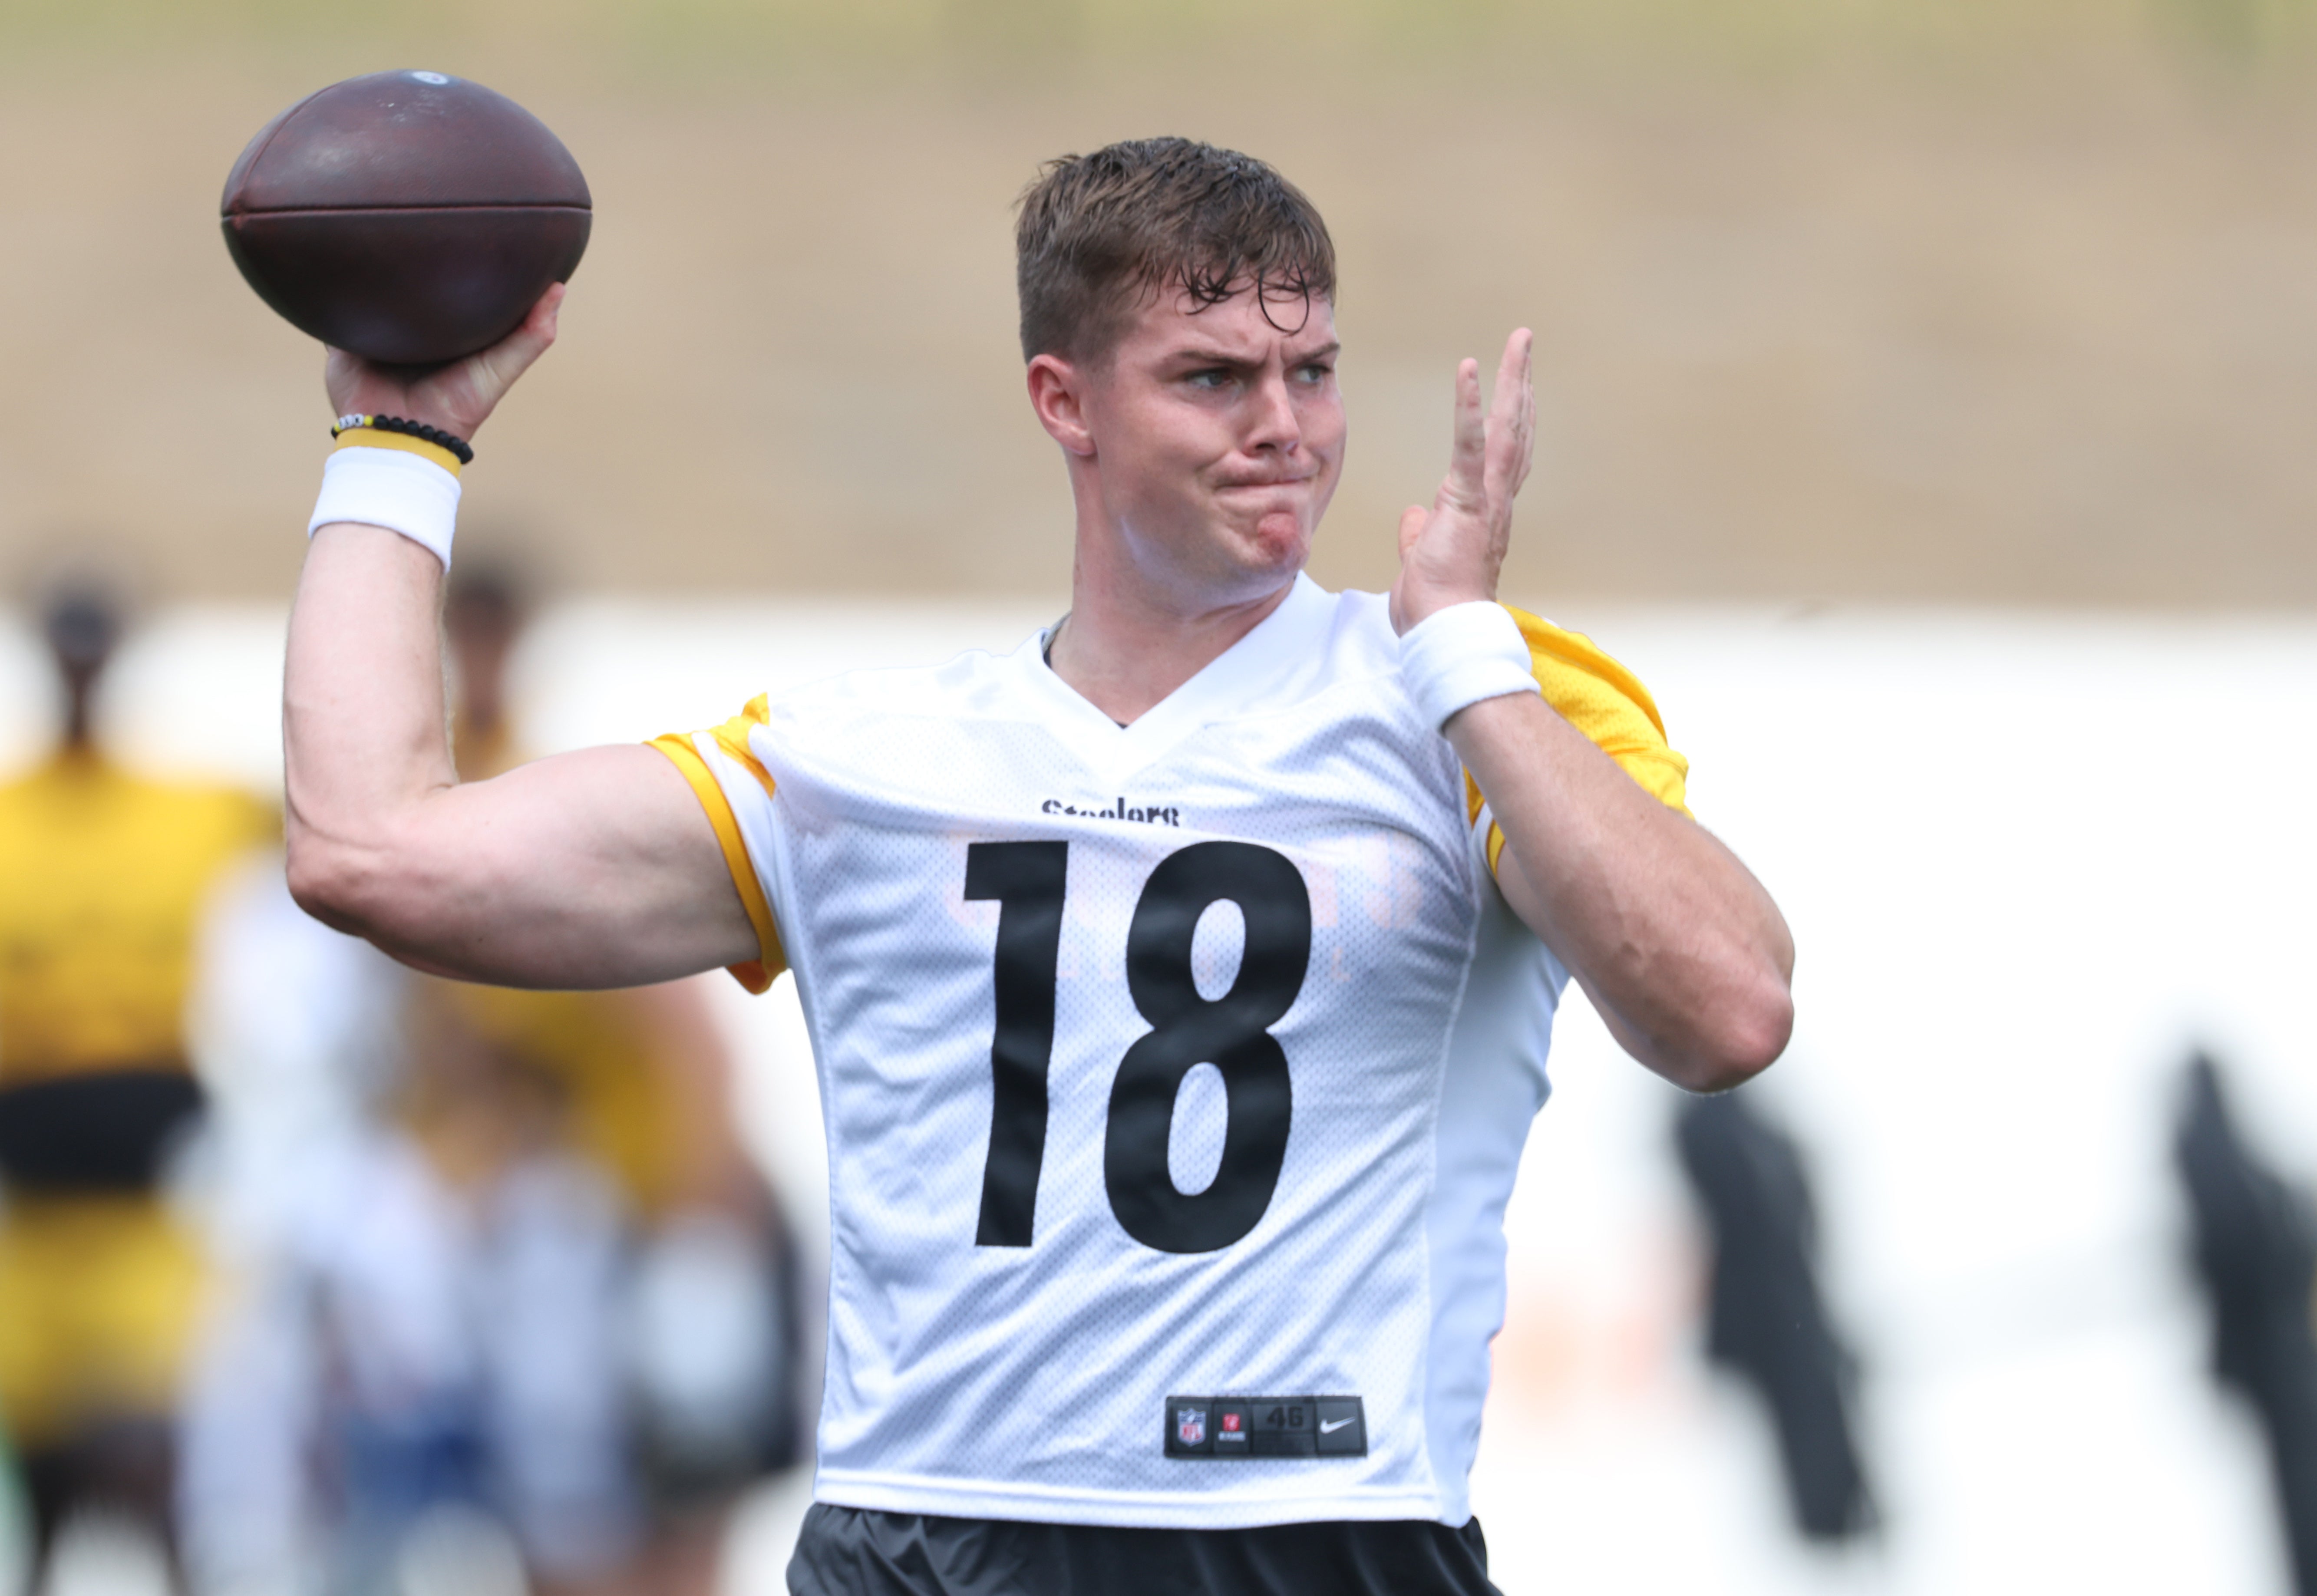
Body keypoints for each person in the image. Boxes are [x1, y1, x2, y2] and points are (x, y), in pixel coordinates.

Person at [281, 138, 1794, 1595]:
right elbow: (372, 850)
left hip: (1318, 1525)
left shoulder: (1479, 697)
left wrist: (1464, 653)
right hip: (926, 1533)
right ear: (1062, 402)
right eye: (1212, 377)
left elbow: (1725, 1010)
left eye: (1311, 371)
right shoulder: (866, 760)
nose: (1285, 425)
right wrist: (400, 440)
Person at [0, 581, 275, 1594]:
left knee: (150, 1459)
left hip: (145, 1197)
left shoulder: (189, 811)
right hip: (31, 1203)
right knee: (48, 1485)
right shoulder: (11, 815)